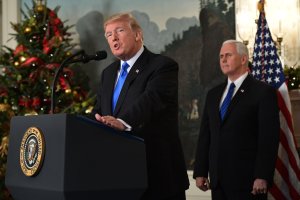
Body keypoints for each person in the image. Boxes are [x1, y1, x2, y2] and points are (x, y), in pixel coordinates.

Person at [91, 12, 189, 200]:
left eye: (119, 30)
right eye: (109, 34)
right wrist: (91, 121)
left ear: (138, 35)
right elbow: (99, 110)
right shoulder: (109, 73)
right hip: (119, 177)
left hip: (158, 175)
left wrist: (122, 121)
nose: (114, 38)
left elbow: (152, 100)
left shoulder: (162, 66)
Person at [193, 40, 280, 200]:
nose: (223, 60)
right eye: (221, 57)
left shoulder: (263, 92)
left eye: (228, 55)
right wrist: (200, 171)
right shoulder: (213, 94)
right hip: (218, 182)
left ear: (243, 59)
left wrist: (262, 176)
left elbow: (268, 139)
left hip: (249, 182)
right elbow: (206, 135)